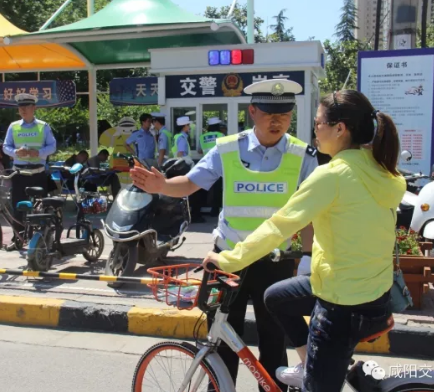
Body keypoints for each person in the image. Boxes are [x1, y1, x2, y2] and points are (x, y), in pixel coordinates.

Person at [202, 90, 405, 392]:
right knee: (275, 297)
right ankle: (308, 361)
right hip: (372, 292)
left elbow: (278, 226)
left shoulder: (332, 175)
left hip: (340, 304)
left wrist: (228, 259)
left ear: (340, 129)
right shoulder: (381, 170)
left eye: (319, 122)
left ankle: (315, 373)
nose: (314, 130)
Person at [130, 79, 318, 392]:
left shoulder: (303, 155)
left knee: (273, 341)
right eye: (270, 113)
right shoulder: (228, 148)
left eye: (284, 114)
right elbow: (191, 183)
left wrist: (308, 258)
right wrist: (161, 186)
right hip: (225, 259)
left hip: (274, 262)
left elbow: (311, 211)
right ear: (253, 111)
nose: (277, 121)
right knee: (220, 339)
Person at [3, 93, 57, 247]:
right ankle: (18, 240)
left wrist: (39, 153)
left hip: (37, 173)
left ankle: (43, 240)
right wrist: (15, 153)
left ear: (34, 108)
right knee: (18, 208)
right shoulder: (13, 126)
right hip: (19, 173)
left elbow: (52, 146)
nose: (23, 110)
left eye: (26, 106)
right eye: (20, 107)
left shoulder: (43, 126)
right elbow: (6, 146)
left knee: (41, 208)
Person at [201, 117, 226, 217]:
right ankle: (215, 209)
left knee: (205, 187)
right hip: (218, 165)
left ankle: (202, 207)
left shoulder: (202, 137)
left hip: (206, 164)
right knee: (217, 189)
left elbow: (200, 150)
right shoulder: (221, 135)